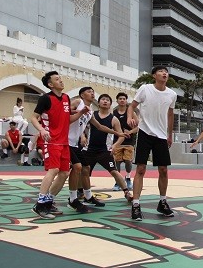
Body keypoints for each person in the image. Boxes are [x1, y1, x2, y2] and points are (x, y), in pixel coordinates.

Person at [29, 70, 88, 218]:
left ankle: (49, 202)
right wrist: (42, 130)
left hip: (64, 142)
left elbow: (67, 119)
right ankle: (40, 205)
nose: (61, 81)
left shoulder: (67, 98)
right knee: (53, 170)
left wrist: (81, 113)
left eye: (60, 78)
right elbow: (34, 118)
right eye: (57, 79)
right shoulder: (45, 99)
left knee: (64, 173)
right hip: (51, 141)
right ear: (50, 84)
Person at [127, 65, 178, 221]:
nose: (165, 73)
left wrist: (170, 135)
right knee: (141, 169)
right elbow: (132, 106)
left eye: (166, 72)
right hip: (145, 132)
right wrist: (130, 117)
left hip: (161, 136)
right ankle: (135, 204)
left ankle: (162, 202)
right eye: (161, 71)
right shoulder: (145, 89)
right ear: (154, 75)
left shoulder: (172, 94)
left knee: (163, 170)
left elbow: (170, 115)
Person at [81, 93, 131, 204]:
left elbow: (121, 136)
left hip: (104, 151)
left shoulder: (113, 119)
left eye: (107, 100)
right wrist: (82, 136)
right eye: (103, 99)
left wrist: (115, 145)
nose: (105, 101)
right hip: (89, 150)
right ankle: (82, 193)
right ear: (98, 103)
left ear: (110, 104)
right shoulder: (91, 115)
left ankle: (126, 192)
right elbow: (80, 127)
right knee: (85, 172)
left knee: (114, 171)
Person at [111, 92, 136, 193]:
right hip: (117, 142)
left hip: (129, 142)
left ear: (126, 101)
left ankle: (128, 178)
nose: (122, 100)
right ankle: (118, 181)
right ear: (117, 101)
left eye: (124, 99)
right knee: (117, 162)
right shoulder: (114, 113)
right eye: (120, 98)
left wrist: (129, 131)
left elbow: (138, 127)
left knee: (128, 161)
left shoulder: (131, 113)